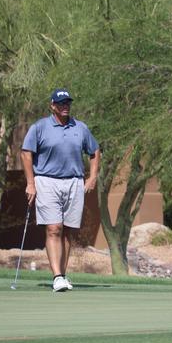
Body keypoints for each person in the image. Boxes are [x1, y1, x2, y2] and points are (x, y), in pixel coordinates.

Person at [21, 88, 101, 292]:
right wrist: (30, 183)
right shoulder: (40, 127)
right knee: (54, 228)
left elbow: (94, 151)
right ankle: (57, 276)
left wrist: (92, 177)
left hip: (74, 182)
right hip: (47, 181)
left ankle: (62, 276)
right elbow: (26, 153)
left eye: (68, 103)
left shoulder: (80, 127)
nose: (65, 106)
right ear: (52, 106)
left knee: (67, 231)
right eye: (61, 103)